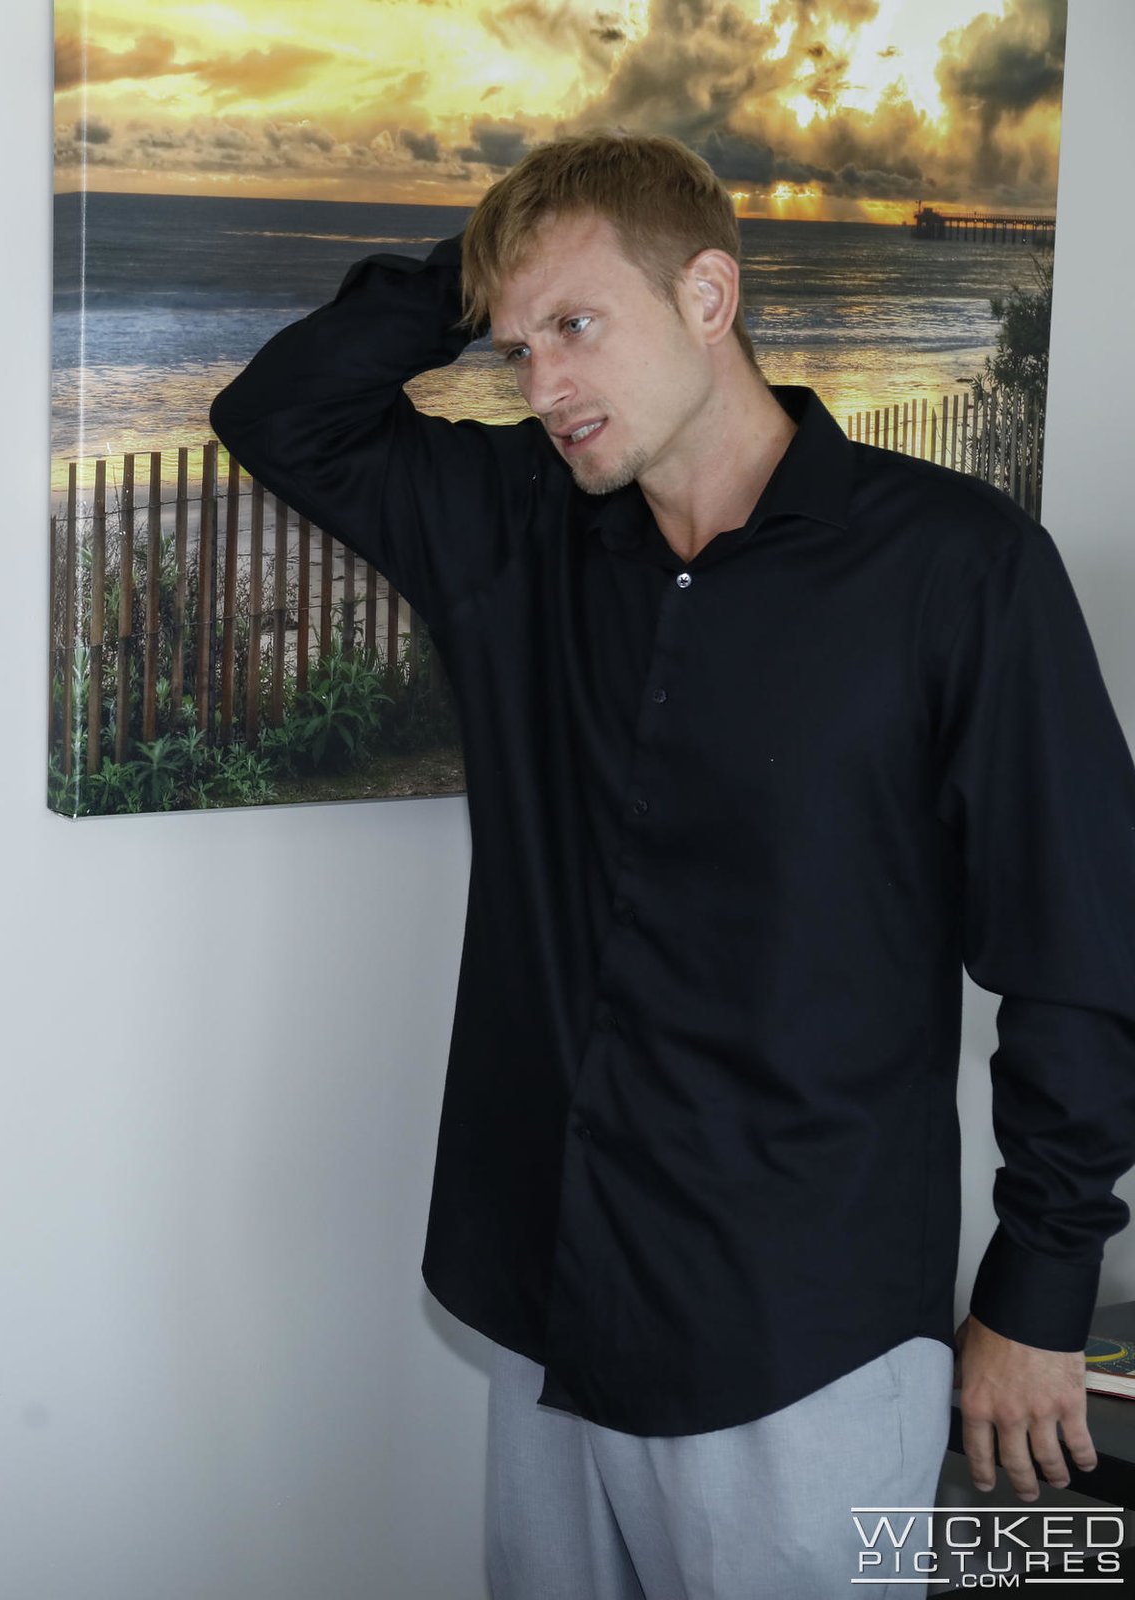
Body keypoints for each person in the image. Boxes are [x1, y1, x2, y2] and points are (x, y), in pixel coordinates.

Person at [210, 128, 1135, 1597]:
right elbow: (279, 414)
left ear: (709, 296)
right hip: (548, 1300)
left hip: (802, 1332)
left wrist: (1039, 1287)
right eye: (517, 349)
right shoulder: (516, 526)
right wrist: (492, 269)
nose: (543, 387)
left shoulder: (959, 568)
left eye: (578, 327)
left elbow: (1079, 948)